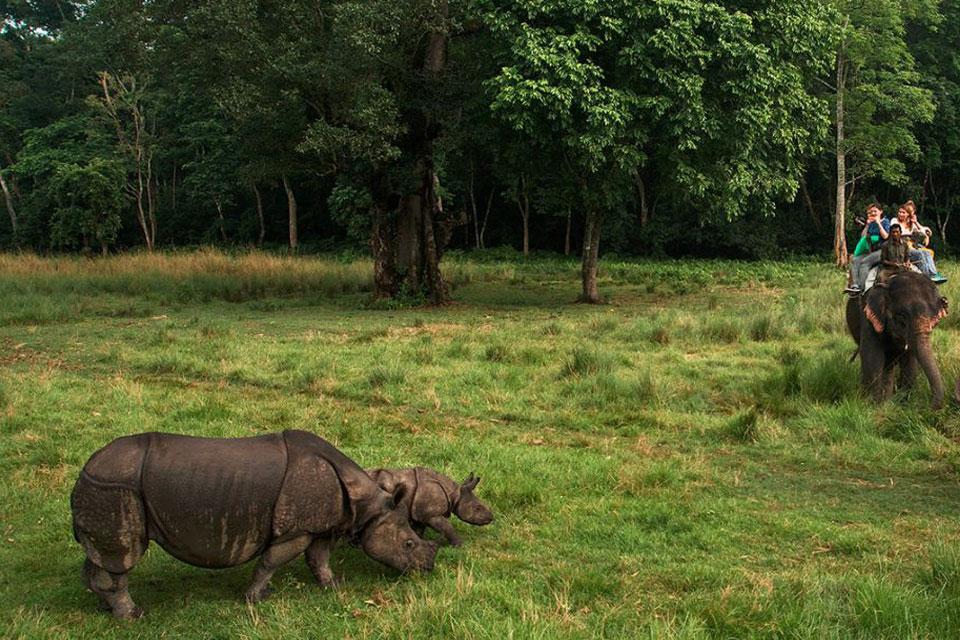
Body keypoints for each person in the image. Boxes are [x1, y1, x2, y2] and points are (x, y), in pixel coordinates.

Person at [846, 203, 890, 295]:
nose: (873, 213)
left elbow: (886, 236)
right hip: (871, 250)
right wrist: (867, 225)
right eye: (871, 212)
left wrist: (878, 223)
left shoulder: (885, 222)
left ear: (880, 212)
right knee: (855, 260)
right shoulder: (870, 224)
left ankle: (862, 288)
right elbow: (863, 237)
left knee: (865, 262)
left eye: (875, 211)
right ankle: (855, 285)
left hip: (883, 250)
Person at [899, 200, 947, 284]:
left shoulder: (911, 224)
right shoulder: (895, 221)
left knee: (927, 253)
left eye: (903, 213)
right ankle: (926, 276)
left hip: (911, 246)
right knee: (920, 253)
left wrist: (916, 222)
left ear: (908, 215)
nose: (901, 214)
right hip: (902, 246)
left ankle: (933, 274)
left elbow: (924, 231)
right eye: (900, 212)